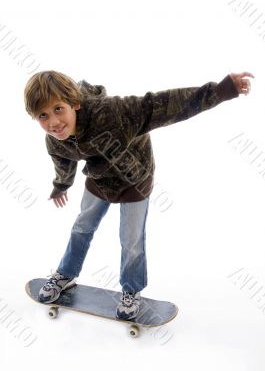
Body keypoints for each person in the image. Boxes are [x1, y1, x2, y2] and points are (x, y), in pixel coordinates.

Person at [24, 70, 254, 320]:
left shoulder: (113, 113)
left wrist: (220, 91)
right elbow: (64, 161)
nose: (53, 123)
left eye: (58, 109)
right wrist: (61, 185)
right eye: (43, 116)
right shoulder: (54, 140)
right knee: (82, 226)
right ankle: (65, 275)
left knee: (131, 240)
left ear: (75, 103)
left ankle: (132, 290)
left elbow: (164, 105)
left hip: (134, 178)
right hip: (99, 180)